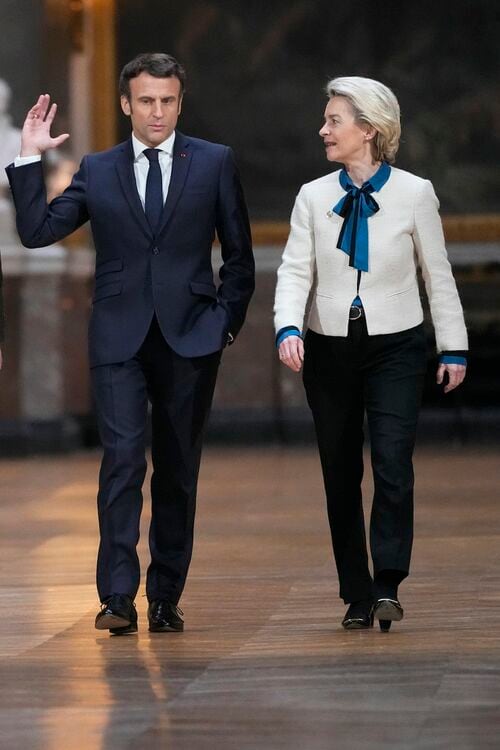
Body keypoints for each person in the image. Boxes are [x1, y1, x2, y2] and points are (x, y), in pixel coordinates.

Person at [7, 53, 254, 635]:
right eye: (146, 101)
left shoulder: (214, 162)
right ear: (126, 104)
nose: (157, 112)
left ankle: (166, 596)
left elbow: (239, 257)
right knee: (121, 462)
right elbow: (37, 231)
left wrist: (223, 325)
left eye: (167, 100)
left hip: (191, 336)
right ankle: (117, 596)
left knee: (177, 469)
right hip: (119, 337)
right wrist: (29, 157)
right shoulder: (98, 169)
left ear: (180, 103)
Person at [274, 76, 467, 632]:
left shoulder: (415, 193)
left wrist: (453, 346)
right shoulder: (313, 196)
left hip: (397, 347)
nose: (323, 130)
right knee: (339, 472)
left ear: (369, 129)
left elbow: (437, 274)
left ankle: (388, 584)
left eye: (334, 120)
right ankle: (356, 593)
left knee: (393, 465)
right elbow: (295, 269)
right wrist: (288, 326)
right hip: (328, 348)